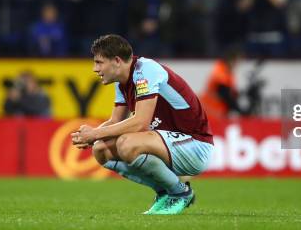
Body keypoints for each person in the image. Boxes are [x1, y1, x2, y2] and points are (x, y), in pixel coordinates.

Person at [70, 34, 214, 215]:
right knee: (101, 149)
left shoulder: (145, 71)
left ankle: (180, 193)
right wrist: (92, 136)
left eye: (99, 62)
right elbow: (116, 121)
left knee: (127, 143)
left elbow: (141, 122)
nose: (95, 69)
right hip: (167, 145)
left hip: (195, 145)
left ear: (116, 61)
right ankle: (164, 192)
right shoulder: (122, 82)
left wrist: (94, 133)